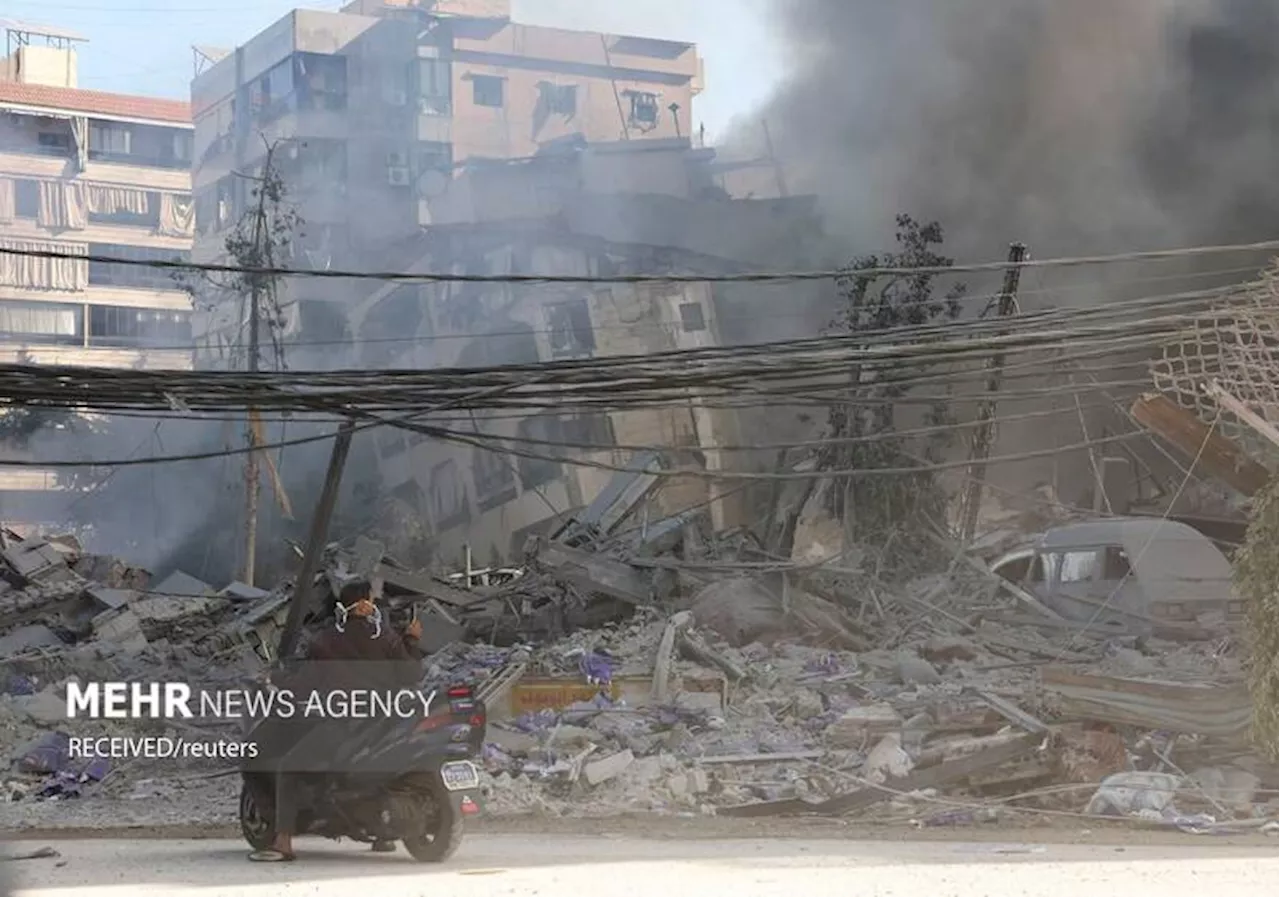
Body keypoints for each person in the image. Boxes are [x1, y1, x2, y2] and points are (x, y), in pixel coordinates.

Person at [248, 579, 423, 863]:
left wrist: (278, 683)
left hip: (344, 723)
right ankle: (380, 837)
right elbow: (412, 675)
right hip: (384, 722)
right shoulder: (387, 637)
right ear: (367, 605)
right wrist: (412, 640)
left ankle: (283, 842)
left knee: (289, 768)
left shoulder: (328, 640)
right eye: (373, 600)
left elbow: (305, 683)